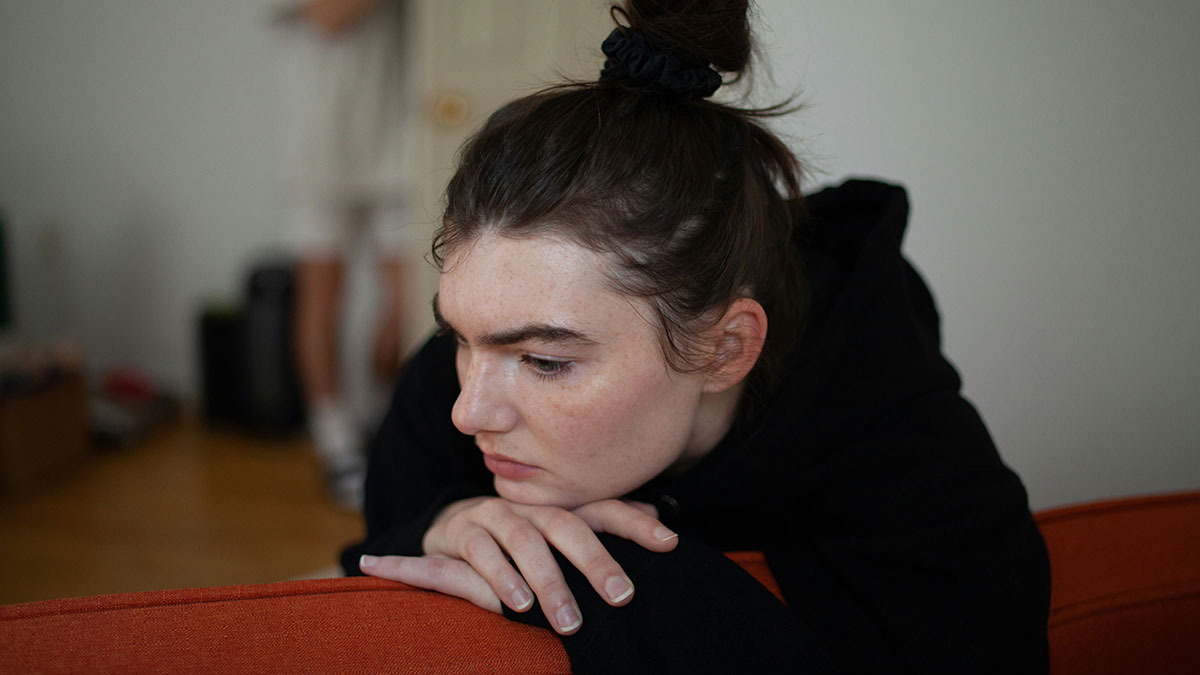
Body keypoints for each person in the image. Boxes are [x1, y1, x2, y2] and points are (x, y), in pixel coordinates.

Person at [340, 0, 1051, 671]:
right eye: (460, 334)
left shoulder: (907, 457)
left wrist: (641, 578)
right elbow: (378, 543)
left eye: (546, 360)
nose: (470, 410)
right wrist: (447, 521)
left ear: (726, 348)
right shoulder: (454, 377)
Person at [278, 0, 415, 509]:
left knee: (411, 300)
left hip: (397, 139)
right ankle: (334, 439)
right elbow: (329, 15)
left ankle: (382, 421)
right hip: (319, 146)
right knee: (323, 300)